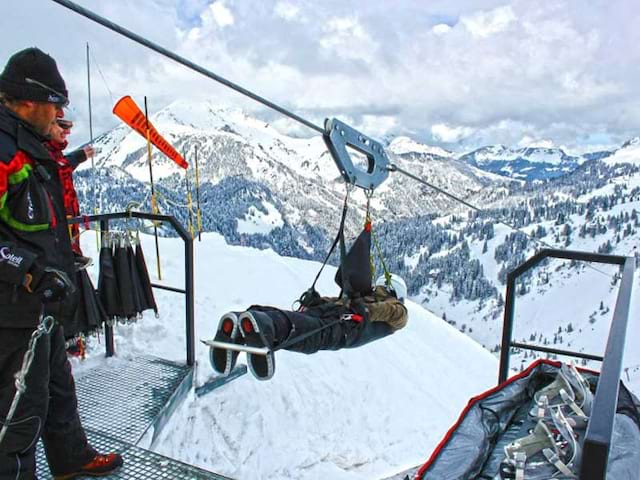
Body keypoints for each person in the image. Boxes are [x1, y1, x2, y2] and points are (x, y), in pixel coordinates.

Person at [0, 48, 122, 479]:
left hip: (42, 304)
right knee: (18, 411)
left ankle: (70, 458)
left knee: (57, 385)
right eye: (56, 102)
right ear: (28, 99)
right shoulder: (5, 148)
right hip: (13, 308)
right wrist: (30, 269)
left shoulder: (31, 145)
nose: (60, 112)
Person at [210, 273, 408, 380]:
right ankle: (255, 325)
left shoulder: (393, 310)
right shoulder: (380, 302)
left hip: (342, 322)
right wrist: (318, 300)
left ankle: (244, 323)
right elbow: (341, 302)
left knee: (294, 321)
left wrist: (363, 308)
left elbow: (389, 312)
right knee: (303, 331)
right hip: (340, 326)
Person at [44, 114, 95, 255]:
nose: (68, 131)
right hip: (55, 229)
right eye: (64, 126)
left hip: (67, 224)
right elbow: (53, 172)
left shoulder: (55, 151)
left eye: (70, 126)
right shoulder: (39, 149)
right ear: (49, 123)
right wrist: (76, 158)